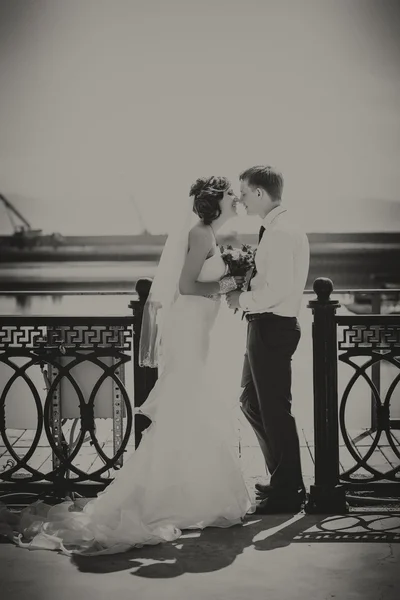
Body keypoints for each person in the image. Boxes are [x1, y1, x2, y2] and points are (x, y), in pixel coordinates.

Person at [1, 176, 254, 555]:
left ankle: (188, 493)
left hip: (196, 330)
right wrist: (230, 283)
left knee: (189, 407)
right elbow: (186, 286)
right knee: (187, 403)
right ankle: (179, 496)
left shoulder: (208, 234)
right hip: (188, 332)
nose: (237, 197)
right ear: (215, 202)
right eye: (231, 194)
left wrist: (230, 283)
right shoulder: (201, 234)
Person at [226, 165, 310, 514]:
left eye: (244, 193)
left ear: (260, 192)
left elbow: (277, 290)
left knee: (274, 409)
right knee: (252, 402)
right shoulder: (280, 227)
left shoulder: (279, 232)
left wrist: (240, 299)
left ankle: (288, 490)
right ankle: (282, 478)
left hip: (272, 325)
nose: (241, 200)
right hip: (267, 325)